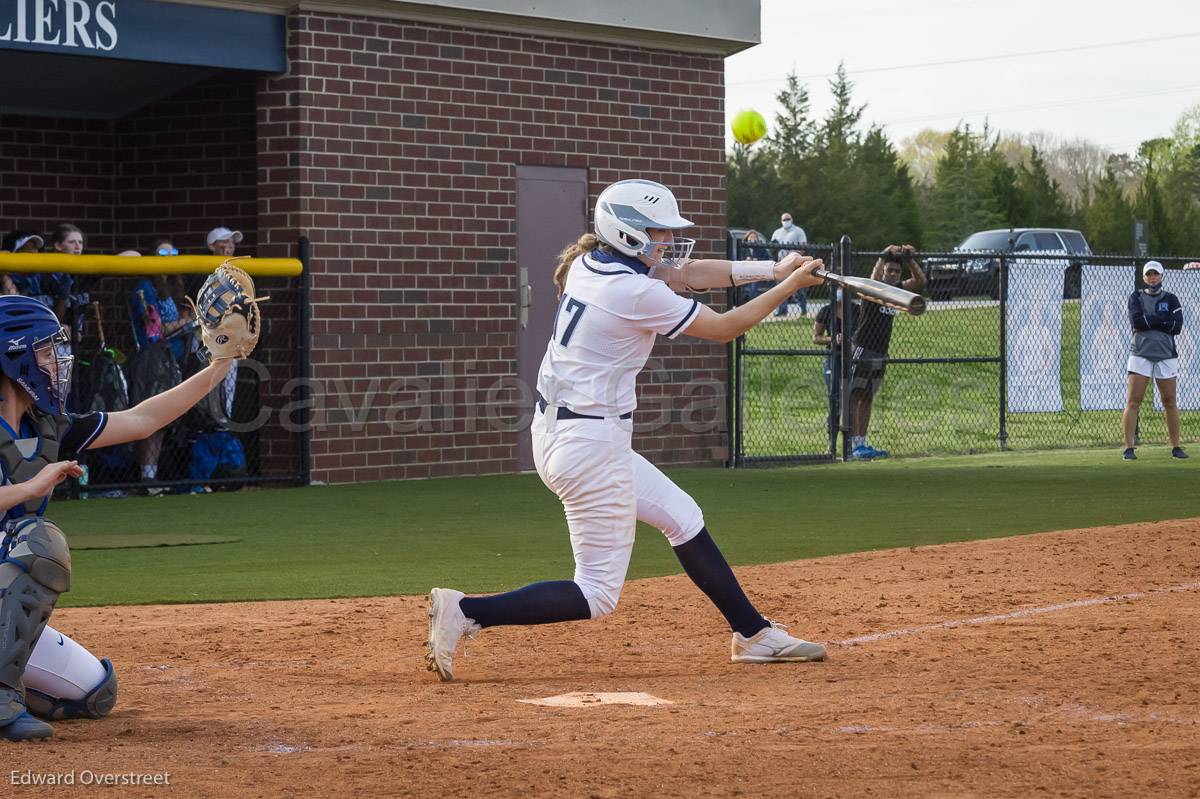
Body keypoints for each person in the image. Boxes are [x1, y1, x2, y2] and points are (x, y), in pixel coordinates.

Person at [424, 179, 827, 683]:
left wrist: (772, 267)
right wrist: (788, 288)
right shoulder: (631, 290)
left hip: (564, 435)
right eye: (658, 232)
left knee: (683, 516)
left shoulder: (593, 263)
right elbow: (724, 328)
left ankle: (754, 634)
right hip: (590, 447)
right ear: (628, 233)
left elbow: (689, 273)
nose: (667, 241)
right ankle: (466, 611)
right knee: (596, 592)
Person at [0, 294, 241, 740]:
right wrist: (32, 487)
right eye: (44, 350)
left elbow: (142, 419)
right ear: (13, 357)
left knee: (94, 694)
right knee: (39, 541)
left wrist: (219, 365)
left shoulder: (47, 427)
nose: (56, 360)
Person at [848, 244, 925, 460]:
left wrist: (910, 259)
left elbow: (920, 281)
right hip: (863, 348)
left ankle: (861, 444)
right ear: (883, 271)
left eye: (896, 271)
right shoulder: (873, 288)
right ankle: (852, 445)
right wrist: (882, 254)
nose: (892, 274)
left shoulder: (898, 292)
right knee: (854, 396)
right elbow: (872, 279)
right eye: (889, 270)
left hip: (881, 352)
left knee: (868, 397)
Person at [1123, 260, 1186, 460]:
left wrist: (1151, 320)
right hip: (1140, 353)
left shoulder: (1172, 298)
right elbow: (1137, 322)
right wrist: (1162, 319)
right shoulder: (1136, 297)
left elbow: (1176, 327)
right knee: (1134, 401)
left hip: (1166, 355)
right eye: (1149, 274)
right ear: (1144, 277)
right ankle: (1128, 448)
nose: (1152, 277)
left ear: (1161, 276)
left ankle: (1176, 447)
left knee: (1169, 401)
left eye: (1155, 274)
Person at [770, 212, 807, 317]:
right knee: (781, 288)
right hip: (781, 263)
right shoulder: (777, 232)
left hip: (795, 263)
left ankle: (803, 310)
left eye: (788, 219)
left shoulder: (798, 231)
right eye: (784, 219)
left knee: (798, 287)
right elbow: (772, 247)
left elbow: (802, 247)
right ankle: (782, 310)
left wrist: (795, 257)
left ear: (792, 219)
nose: (786, 221)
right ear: (781, 221)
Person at [1, 230, 42, 296]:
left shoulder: (45, 276)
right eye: (28, 251)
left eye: (35, 248)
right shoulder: (5, 277)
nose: (34, 252)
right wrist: (3, 276)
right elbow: (12, 301)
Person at [738, 229, 770, 302]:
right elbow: (738, 258)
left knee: (754, 285)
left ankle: (752, 301)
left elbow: (766, 258)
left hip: (757, 272)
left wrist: (758, 260)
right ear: (747, 238)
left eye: (754, 237)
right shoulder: (743, 247)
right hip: (745, 271)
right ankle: (746, 301)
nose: (753, 239)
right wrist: (745, 259)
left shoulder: (760, 248)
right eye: (751, 237)